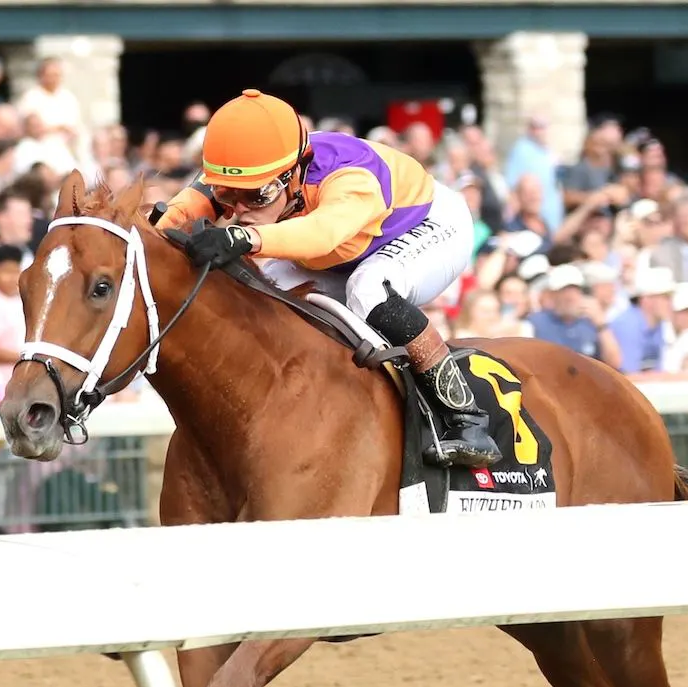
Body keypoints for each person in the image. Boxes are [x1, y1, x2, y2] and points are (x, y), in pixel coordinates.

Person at [155, 88, 500, 469]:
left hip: (428, 227)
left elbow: (323, 233)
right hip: (338, 249)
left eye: (255, 197)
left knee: (368, 289)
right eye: (227, 192)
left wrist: (245, 236)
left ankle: (466, 417)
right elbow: (190, 202)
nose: (238, 208)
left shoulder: (352, 178)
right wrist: (149, 230)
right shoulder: (260, 169)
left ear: (294, 173)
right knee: (264, 293)